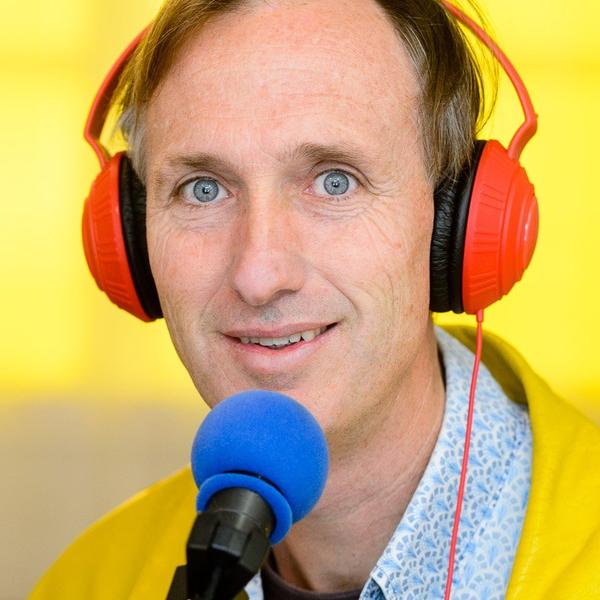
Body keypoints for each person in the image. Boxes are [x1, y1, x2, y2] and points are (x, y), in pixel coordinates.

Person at [31, 0, 600, 598]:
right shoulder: (90, 580)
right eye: (203, 189)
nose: (259, 274)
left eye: (335, 180)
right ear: (127, 242)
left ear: (455, 226)